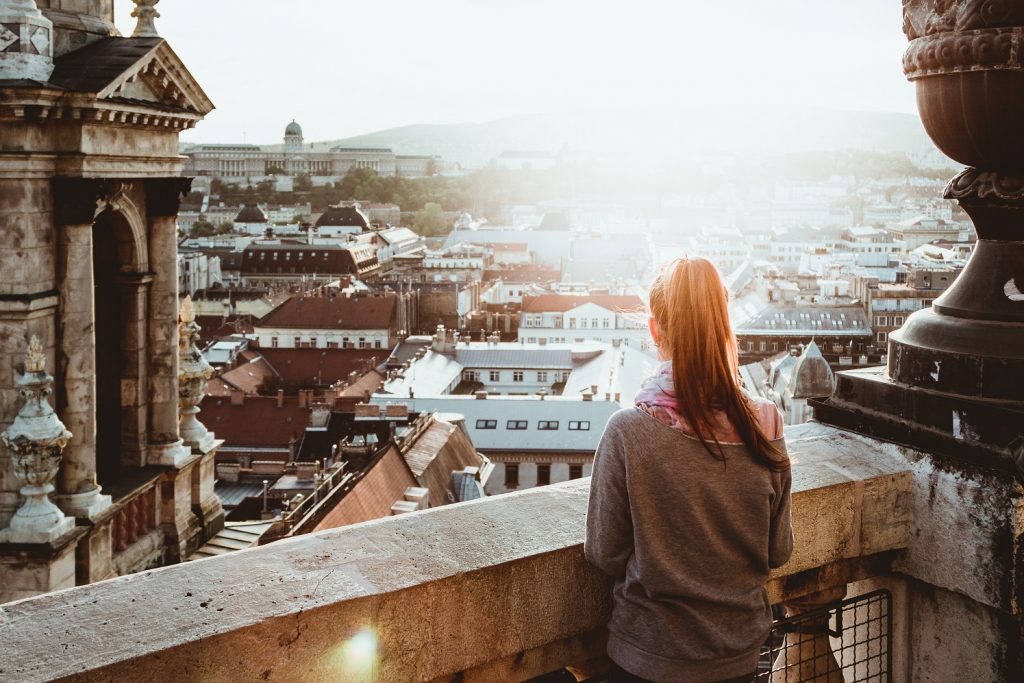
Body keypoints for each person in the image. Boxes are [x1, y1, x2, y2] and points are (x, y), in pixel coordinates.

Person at [584, 257, 793, 683]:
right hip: (737, 656)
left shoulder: (629, 431)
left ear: (655, 329)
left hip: (649, 654)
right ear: (724, 325)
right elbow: (778, 551)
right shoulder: (766, 424)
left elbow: (604, 552)